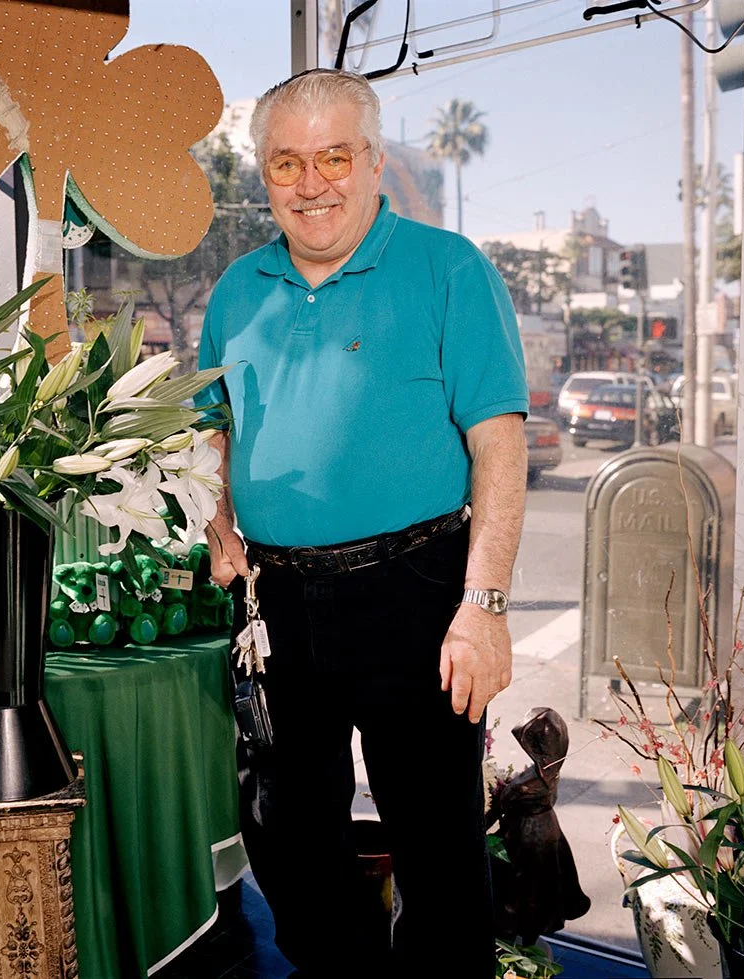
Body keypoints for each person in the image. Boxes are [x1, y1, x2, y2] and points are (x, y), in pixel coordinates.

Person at [196, 69, 529, 976]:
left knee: (439, 845)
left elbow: (499, 446)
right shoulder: (235, 291)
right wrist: (217, 520)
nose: (311, 184)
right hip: (275, 601)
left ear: (375, 162)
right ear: (263, 174)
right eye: (286, 163)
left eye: (334, 157)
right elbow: (208, 434)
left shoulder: (449, 269)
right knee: (284, 834)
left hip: (418, 593)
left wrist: (485, 605)